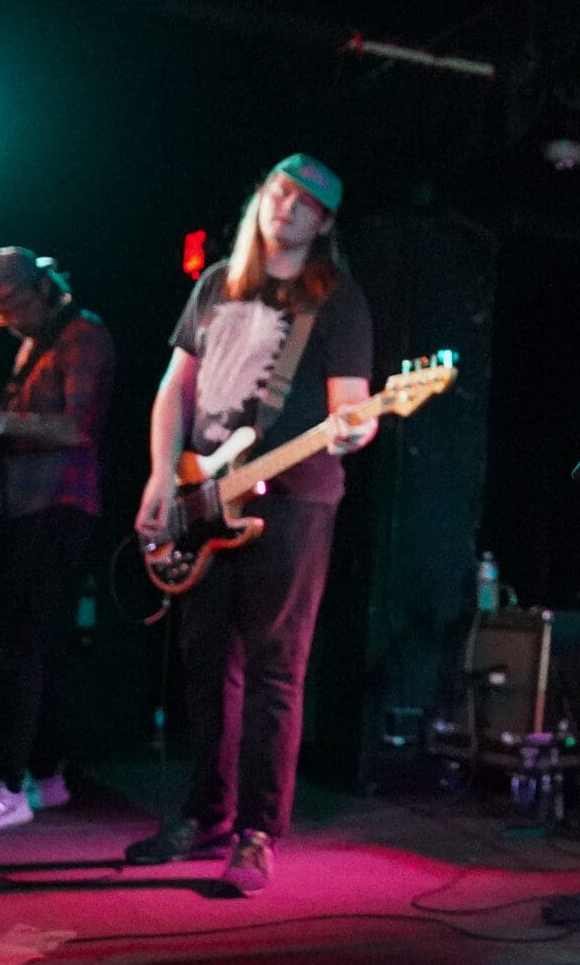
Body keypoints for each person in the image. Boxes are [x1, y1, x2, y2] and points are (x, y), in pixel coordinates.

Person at [125, 154, 377, 896]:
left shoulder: (337, 297)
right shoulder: (214, 286)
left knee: (275, 668)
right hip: (204, 494)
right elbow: (176, 387)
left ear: (324, 223)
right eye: (279, 192)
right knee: (207, 664)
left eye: (305, 202)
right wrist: (160, 474)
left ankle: (258, 833)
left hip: (295, 497)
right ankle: (206, 811)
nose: (287, 208)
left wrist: (356, 428)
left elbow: (351, 405)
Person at [0, 247, 116, 834]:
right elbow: (23, 425)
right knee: (37, 643)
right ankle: (46, 774)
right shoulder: (30, 348)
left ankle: (9, 786)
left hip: (58, 505)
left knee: (22, 645)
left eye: (14, 307)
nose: (10, 321)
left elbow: (76, 427)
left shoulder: (82, 336)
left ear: (42, 291)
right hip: (22, 504)